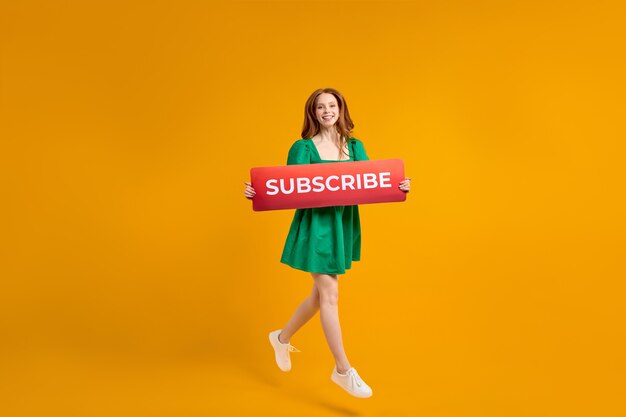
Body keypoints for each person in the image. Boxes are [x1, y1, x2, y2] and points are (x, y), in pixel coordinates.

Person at [244, 88, 410, 398]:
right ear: (313, 113)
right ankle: (343, 370)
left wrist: (399, 185)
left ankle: (280, 339)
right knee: (330, 294)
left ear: (341, 109)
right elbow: (284, 187)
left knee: (320, 297)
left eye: (331, 105)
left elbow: (373, 181)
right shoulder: (303, 148)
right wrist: (259, 192)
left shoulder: (355, 146)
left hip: (341, 226)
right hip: (316, 228)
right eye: (320, 107)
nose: (327, 111)